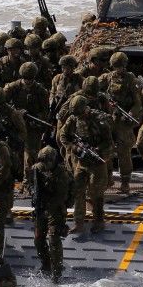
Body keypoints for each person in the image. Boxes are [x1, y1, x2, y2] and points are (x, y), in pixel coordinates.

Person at [58, 95, 113, 235]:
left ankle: (99, 220)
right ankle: (78, 223)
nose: (79, 117)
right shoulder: (73, 119)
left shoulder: (99, 119)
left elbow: (108, 142)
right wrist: (73, 147)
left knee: (96, 192)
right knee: (78, 191)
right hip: (81, 162)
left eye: (80, 114)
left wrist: (98, 149)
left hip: (97, 162)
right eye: (76, 114)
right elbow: (62, 136)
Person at [98, 51, 143, 194]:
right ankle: (108, 178)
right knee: (106, 150)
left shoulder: (131, 80)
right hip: (110, 119)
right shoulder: (107, 78)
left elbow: (138, 104)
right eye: (115, 66)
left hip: (123, 121)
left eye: (120, 66)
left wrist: (129, 115)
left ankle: (125, 182)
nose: (118, 69)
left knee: (124, 152)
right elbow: (93, 87)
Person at [4, 61, 50, 187]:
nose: (28, 81)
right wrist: (16, 112)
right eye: (25, 78)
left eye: (30, 78)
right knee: (11, 152)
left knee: (31, 155)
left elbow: (45, 111)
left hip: (31, 125)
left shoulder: (40, 91)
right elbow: (2, 104)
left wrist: (34, 117)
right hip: (14, 125)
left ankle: (28, 182)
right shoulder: (12, 88)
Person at [31, 145, 73, 282]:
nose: (45, 165)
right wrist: (33, 192)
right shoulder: (36, 169)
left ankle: (57, 272)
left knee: (54, 239)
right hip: (41, 207)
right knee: (38, 239)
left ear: (53, 160)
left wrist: (47, 210)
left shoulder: (62, 174)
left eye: (47, 162)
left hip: (55, 209)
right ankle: (46, 263)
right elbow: (29, 183)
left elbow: (61, 196)